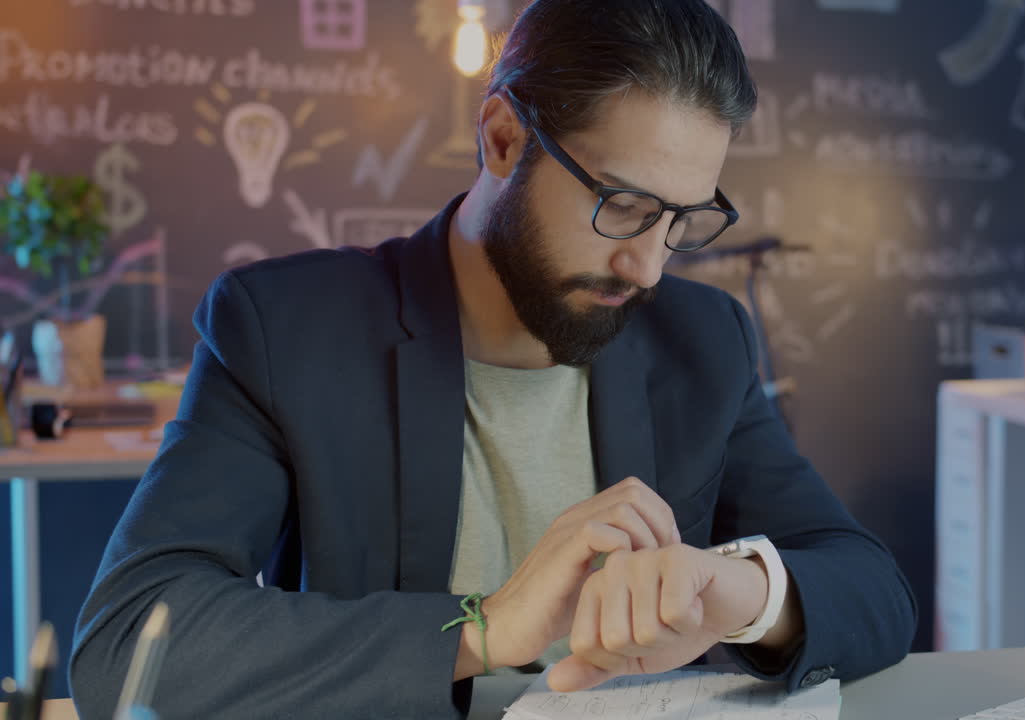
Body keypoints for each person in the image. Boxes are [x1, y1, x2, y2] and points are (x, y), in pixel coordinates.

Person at [70, 1, 917, 717]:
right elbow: (130, 635)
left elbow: (873, 589)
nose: (651, 265)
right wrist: (482, 627)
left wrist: (734, 596)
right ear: (505, 137)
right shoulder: (286, 329)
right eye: (623, 206)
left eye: (682, 219)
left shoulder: (705, 340)